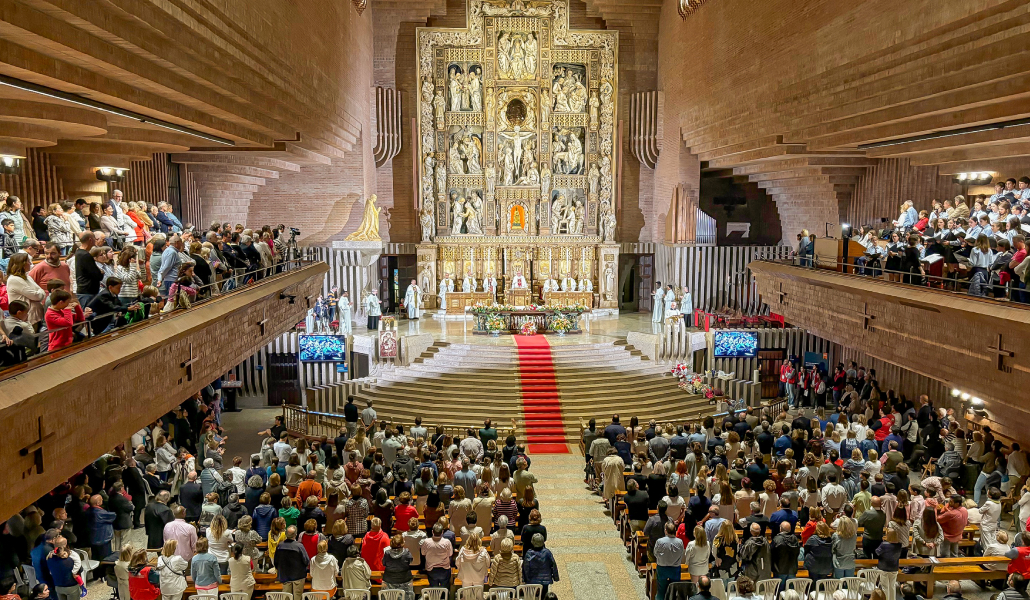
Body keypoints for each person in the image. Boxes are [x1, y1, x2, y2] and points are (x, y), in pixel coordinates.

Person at [272, 526, 309, 600]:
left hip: (285, 575)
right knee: (297, 596)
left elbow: (276, 561)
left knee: (286, 596)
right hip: (298, 575)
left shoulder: (280, 546)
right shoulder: (299, 546)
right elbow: (306, 561)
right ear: (295, 534)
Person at [772, 521, 801, 587]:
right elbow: (797, 552)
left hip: (780, 569)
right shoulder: (795, 539)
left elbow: (772, 553)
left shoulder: (777, 539)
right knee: (790, 593)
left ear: (780, 529)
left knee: (779, 592)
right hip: (792, 569)